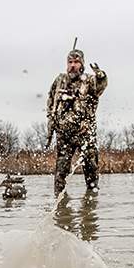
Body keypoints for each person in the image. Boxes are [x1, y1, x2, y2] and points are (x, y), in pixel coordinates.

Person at [46, 47, 107, 195]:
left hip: (85, 133)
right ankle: (60, 203)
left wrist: (100, 75)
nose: (73, 65)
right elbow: (51, 100)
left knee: (91, 169)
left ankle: (91, 202)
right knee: (61, 171)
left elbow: (100, 86)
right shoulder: (60, 81)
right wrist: (51, 119)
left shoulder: (89, 80)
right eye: (70, 62)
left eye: (76, 62)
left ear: (82, 64)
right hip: (63, 133)